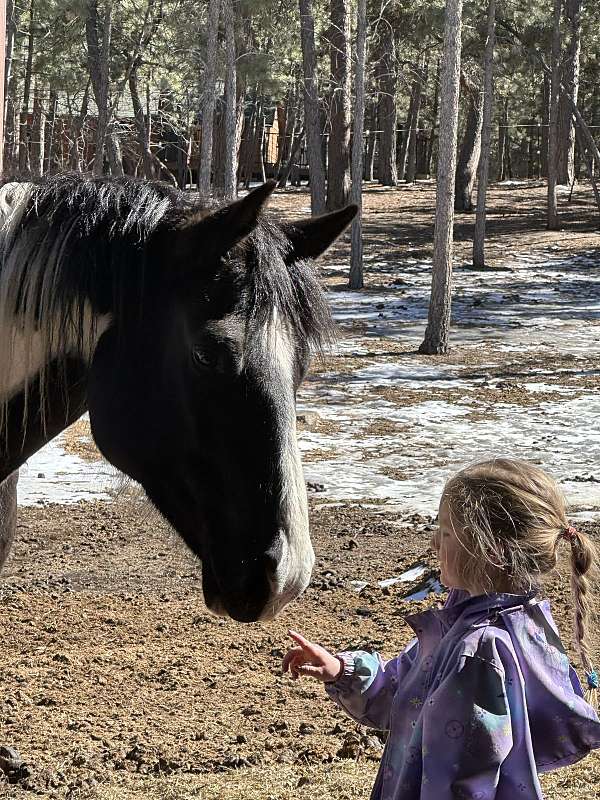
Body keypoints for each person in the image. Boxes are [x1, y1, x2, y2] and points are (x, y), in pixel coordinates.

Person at [282, 458, 600, 799]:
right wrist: (341, 671)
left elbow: (463, 779)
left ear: (489, 550)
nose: (434, 542)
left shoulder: (478, 652)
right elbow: (404, 692)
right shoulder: (491, 622)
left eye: (446, 532)